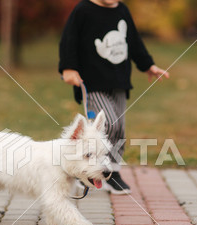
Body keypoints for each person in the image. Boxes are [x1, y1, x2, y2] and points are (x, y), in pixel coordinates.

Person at [59, 0, 169, 195]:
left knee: (120, 129)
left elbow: (134, 42)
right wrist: (68, 67)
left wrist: (148, 65)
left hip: (119, 81)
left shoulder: (122, 10)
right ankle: (87, 169)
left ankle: (113, 172)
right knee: (108, 123)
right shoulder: (83, 10)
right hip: (92, 83)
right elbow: (69, 40)